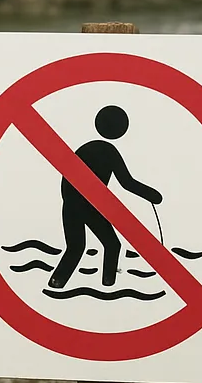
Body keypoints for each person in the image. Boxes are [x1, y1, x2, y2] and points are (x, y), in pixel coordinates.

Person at [46, 105, 161, 290]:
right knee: (112, 245)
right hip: (90, 206)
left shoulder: (83, 149)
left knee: (75, 247)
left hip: (70, 204)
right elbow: (127, 182)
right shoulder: (109, 151)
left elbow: (65, 181)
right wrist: (152, 195)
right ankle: (108, 285)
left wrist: (69, 202)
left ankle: (56, 283)